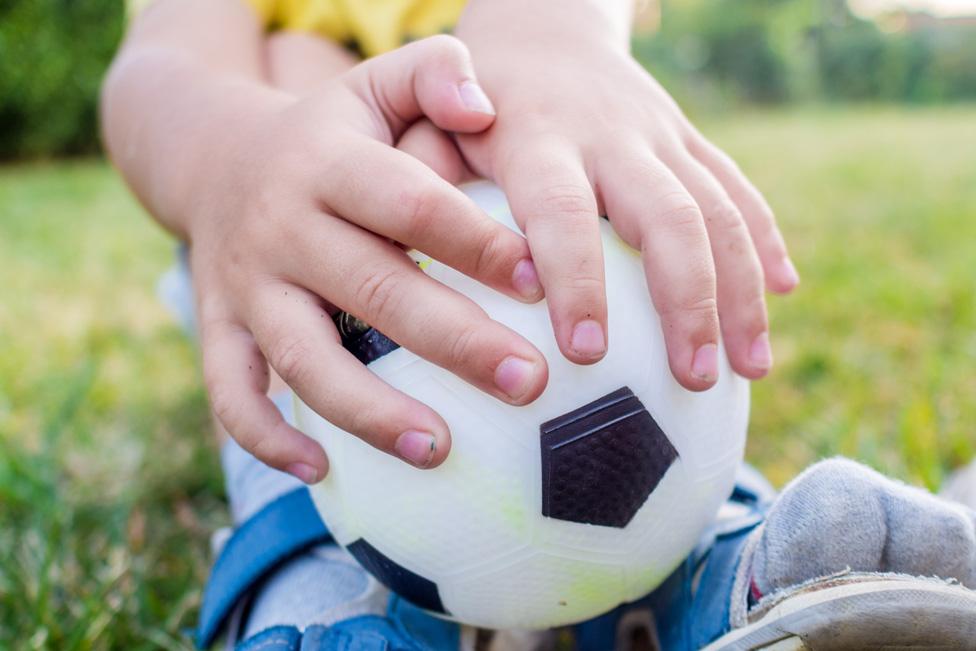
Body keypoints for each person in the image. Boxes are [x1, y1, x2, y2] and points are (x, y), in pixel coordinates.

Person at [102, 1, 976, 649]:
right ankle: (317, 568)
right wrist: (231, 163)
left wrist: (554, 44)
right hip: (291, 315)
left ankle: (707, 551)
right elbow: (157, 71)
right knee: (294, 308)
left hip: (554, 222)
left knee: (580, 254)